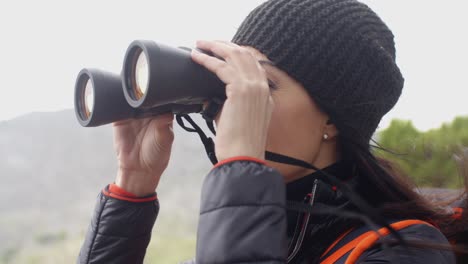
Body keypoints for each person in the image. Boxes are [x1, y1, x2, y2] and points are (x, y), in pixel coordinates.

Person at [77, 0, 468, 263]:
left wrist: (240, 176)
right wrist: (133, 185)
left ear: (332, 119)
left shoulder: (405, 250)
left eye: (258, 87)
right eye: (227, 85)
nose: (231, 104)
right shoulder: (247, 226)